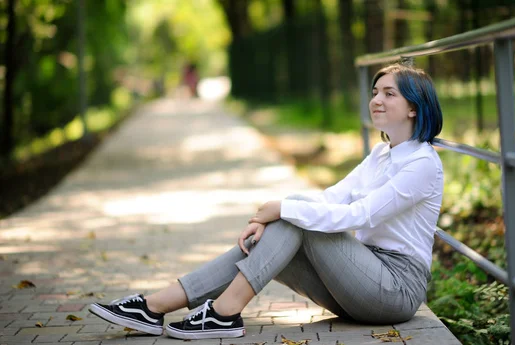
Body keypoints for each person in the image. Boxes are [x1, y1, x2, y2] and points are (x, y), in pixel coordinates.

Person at [89, 63, 444, 340]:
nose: (376, 99)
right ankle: (156, 307)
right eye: (375, 91)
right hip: (360, 282)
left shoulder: (422, 164)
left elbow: (360, 215)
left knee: (293, 219)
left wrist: (283, 209)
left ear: (414, 108)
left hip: (395, 290)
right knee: (272, 235)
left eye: (389, 94)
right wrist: (273, 214)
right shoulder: (382, 154)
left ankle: (219, 313)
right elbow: (331, 197)